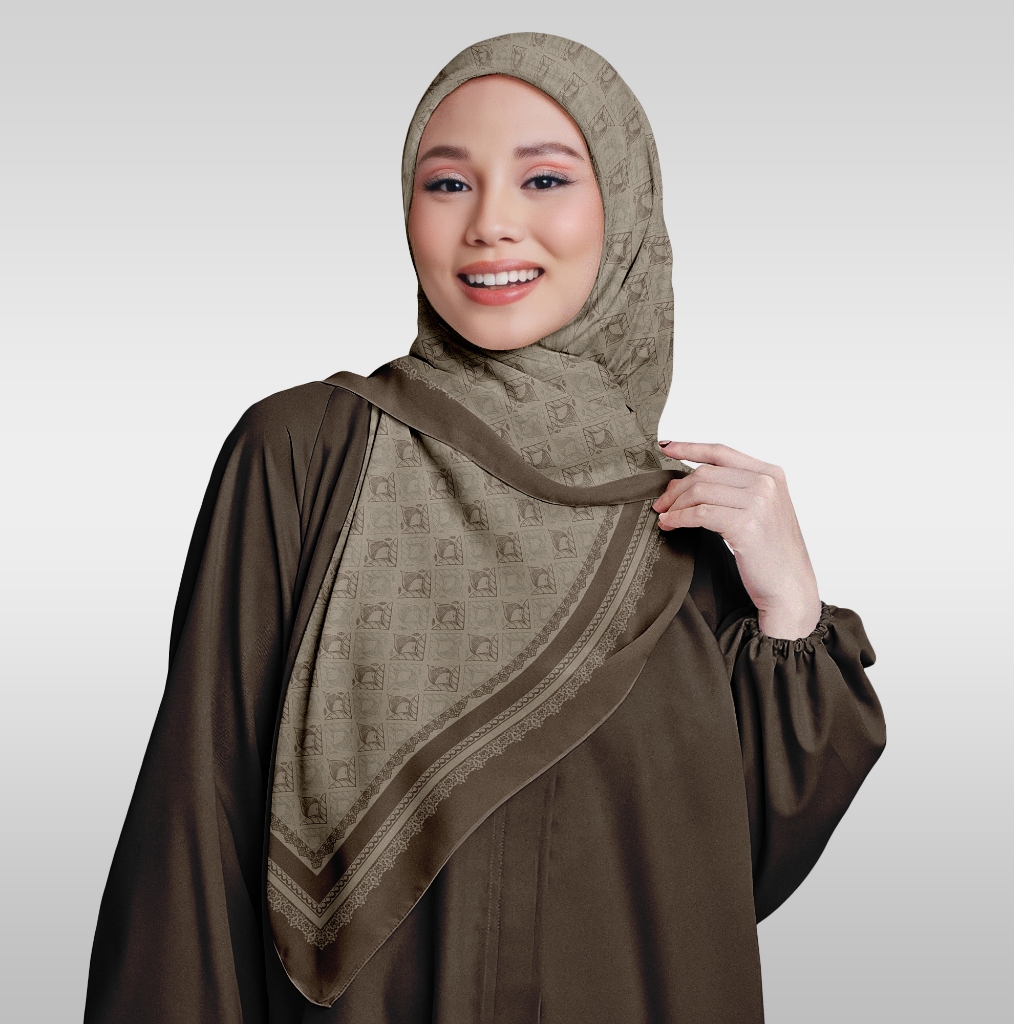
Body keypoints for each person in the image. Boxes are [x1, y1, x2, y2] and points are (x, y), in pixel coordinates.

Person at [85, 33, 885, 1023]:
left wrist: (790, 612)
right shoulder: (306, 455)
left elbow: (729, 879)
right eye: (447, 184)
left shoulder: (689, 526)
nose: (491, 224)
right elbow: (193, 842)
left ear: (625, 207)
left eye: (544, 178)